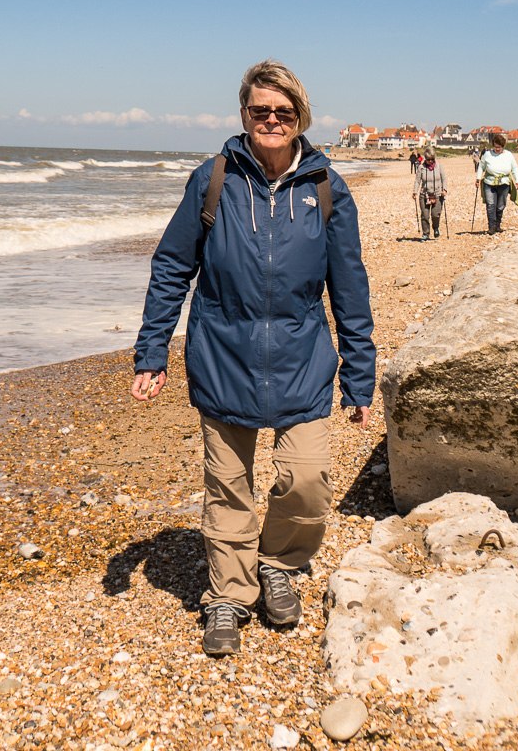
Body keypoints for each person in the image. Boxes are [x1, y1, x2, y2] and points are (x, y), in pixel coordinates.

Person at [131, 60, 376, 658]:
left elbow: (349, 284)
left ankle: (280, 563)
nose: (271, 120)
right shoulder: (212, 180)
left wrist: (360, 375)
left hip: (303, 359)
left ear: (301, 119)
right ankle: (228, 593)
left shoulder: (326, 189)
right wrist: (152, 349)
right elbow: (172, 266)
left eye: (283, 112)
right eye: (260, 110)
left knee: (309, 478)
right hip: (223, 355)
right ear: (243, 114)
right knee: (228, 485)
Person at [475, 132, 518, 234]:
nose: (497, 149)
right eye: (495, 147)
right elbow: (481, 167)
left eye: (499, 147)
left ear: (503, 146)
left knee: (500, 205)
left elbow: (514, 168)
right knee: (490, 204)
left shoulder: (509, 155)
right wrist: (478, 179)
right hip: (489, 182)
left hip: (504, 183)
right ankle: (491, 227)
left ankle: (498, 225)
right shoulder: (487, 154)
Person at [413, 148, 447, 239]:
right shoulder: (421, 167)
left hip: (437, 194)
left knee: (435, 214)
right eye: (428, 159)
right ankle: (425, 233)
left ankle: (436, 228)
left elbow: (444, 179)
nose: (430, 161)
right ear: (425, 158)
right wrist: (415, 191)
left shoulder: (439, 166)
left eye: (432, 159)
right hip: (424, 194)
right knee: (425, 215)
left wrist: (445, 190)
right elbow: (417, 181)